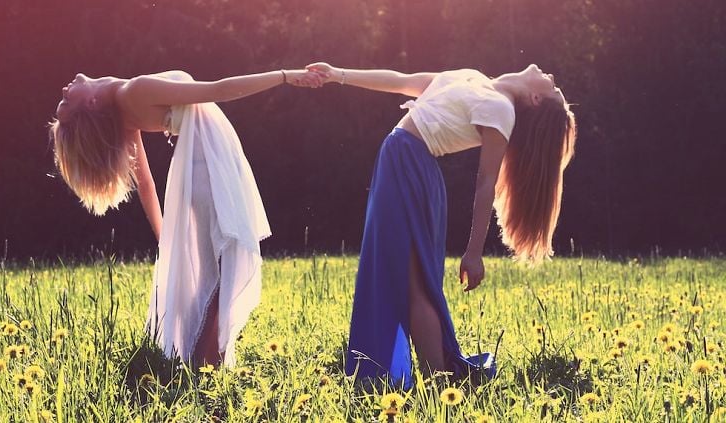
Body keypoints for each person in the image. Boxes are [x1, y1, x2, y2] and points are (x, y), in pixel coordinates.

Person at [305, 62, 577, 388]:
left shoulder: (501, 110)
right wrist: (339, 75)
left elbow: (485, 184)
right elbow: (402, 79)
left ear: (535, 98)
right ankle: (437, 380)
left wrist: (474, 252)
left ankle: (438, 384)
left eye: (553, 87)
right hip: (401, 160)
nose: (550, 76)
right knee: (410, 280)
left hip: (410, 164)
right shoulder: (476, 79)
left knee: (414, 283)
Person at [49, 69, 324, 367]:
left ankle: (201, 359)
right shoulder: (135, 92)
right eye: (66, 103)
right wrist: (284, 76)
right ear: (90, 103)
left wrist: (166, 240)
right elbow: (220, 87)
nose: (63, 92)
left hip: (207, 171)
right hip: (210, 174)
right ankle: (205, 362)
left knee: (215, 274)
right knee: (220, 273)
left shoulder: (125, 105)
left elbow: (146, 185)